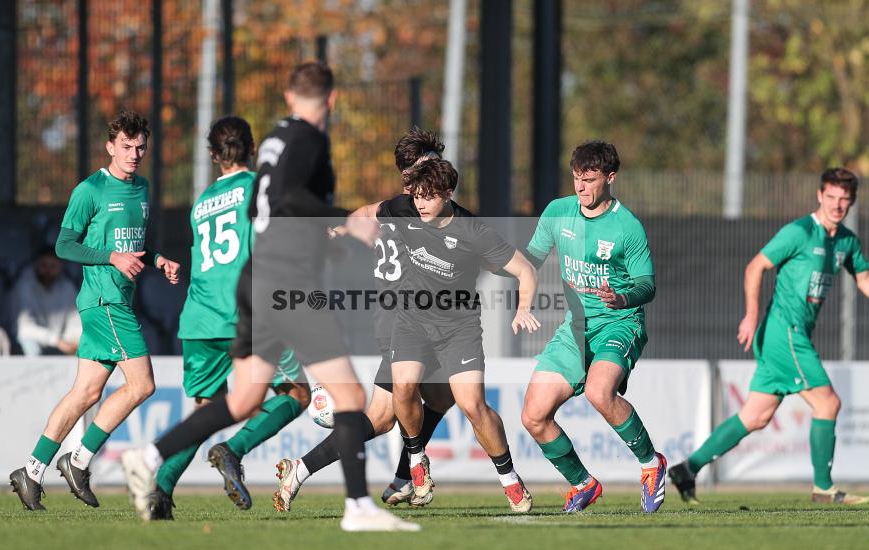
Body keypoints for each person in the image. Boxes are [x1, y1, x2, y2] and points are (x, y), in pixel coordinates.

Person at [121, 62, 418, 532]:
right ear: (332, 99)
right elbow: (287, 199)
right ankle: (359, 508)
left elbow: (271, 206)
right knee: (348, 394)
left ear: (287, 96)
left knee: (243, 400)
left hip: (257, 281)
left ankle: (148, 455)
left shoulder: (278, 140)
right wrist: (344, 219)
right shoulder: (309, 139)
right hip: (288, 282)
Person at [273, 128, 456, 512]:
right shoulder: (414, 210)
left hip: (403, 321)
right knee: (425, 400)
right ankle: (412, 470)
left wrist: (338, 227)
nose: (430, 174)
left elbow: (363, 214)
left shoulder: (391, 207)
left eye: (432, 165)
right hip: (406, 323)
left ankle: (303, 470)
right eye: (424, 166)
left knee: (401, 411)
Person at [9, 109, 180, 511]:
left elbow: (132, 246)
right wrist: (112, 258)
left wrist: (157, 261)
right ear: (110, 147)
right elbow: (64, 245)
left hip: (115, 300)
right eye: (126, 146)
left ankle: (31, 471)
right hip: (105, 301)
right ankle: (79, 460)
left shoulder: (143, 188)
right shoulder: (90, 190)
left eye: (140, 147)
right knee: (142, 385)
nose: (134, 154)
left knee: (85, 392)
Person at [347, 157, 540, 513]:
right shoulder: (404, 209)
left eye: (429, 196)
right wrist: (340, 229)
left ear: (448, 194)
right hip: (412, 320)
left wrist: (523, 308)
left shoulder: (473, 231)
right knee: (403, 387)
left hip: (459, 327)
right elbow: (367, 213)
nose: (420, 203)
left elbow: (525, 270)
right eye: (417, 195)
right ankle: (416, 460)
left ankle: (510, 479)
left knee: (472, 405)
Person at [669, 168, 869, 505]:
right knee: (828, 403)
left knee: (756, 416)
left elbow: (862, 278)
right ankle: (823, 488)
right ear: (819, 196)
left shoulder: (846, 241)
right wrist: (751, 315)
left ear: (851, 202)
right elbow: (755, 267)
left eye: (844, 200)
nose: (837, 205)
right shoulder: (799, 232)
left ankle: (687, 468)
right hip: (783, 332)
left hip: (792, 335)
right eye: (831, 197)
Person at [145, 116, 310, 519]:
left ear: (212, 155)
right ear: (252, 148)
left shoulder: (201, 203)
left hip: (200, 317)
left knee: (207, 410)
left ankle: (160, 490)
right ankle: (233, 450)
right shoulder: (260, 187)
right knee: (296, 393)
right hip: (245, 312)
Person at [520, 140, 666, 514]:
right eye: (576, 179)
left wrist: (622, 298)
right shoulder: (558, 212)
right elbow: (529, 262)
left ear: (610, 178)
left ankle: (651, 465)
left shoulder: (627, 227)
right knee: (533, 416)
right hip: (575, 328)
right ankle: (583, 483)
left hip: (619, 323)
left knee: (599, 392)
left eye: (589, 180)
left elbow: (647, 285)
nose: (581, 188)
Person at [13, 246, 82, 356]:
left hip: (58, 342)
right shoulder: (24, 286)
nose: (48, 271)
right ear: (36, 265)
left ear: (60, 266)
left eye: (53, 266)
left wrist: (74, 340)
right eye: (44, 265)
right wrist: (56, 340)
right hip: (26, 341)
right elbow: (24, 329)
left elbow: (75, 321)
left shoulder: (67, 287)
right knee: (31, 346)